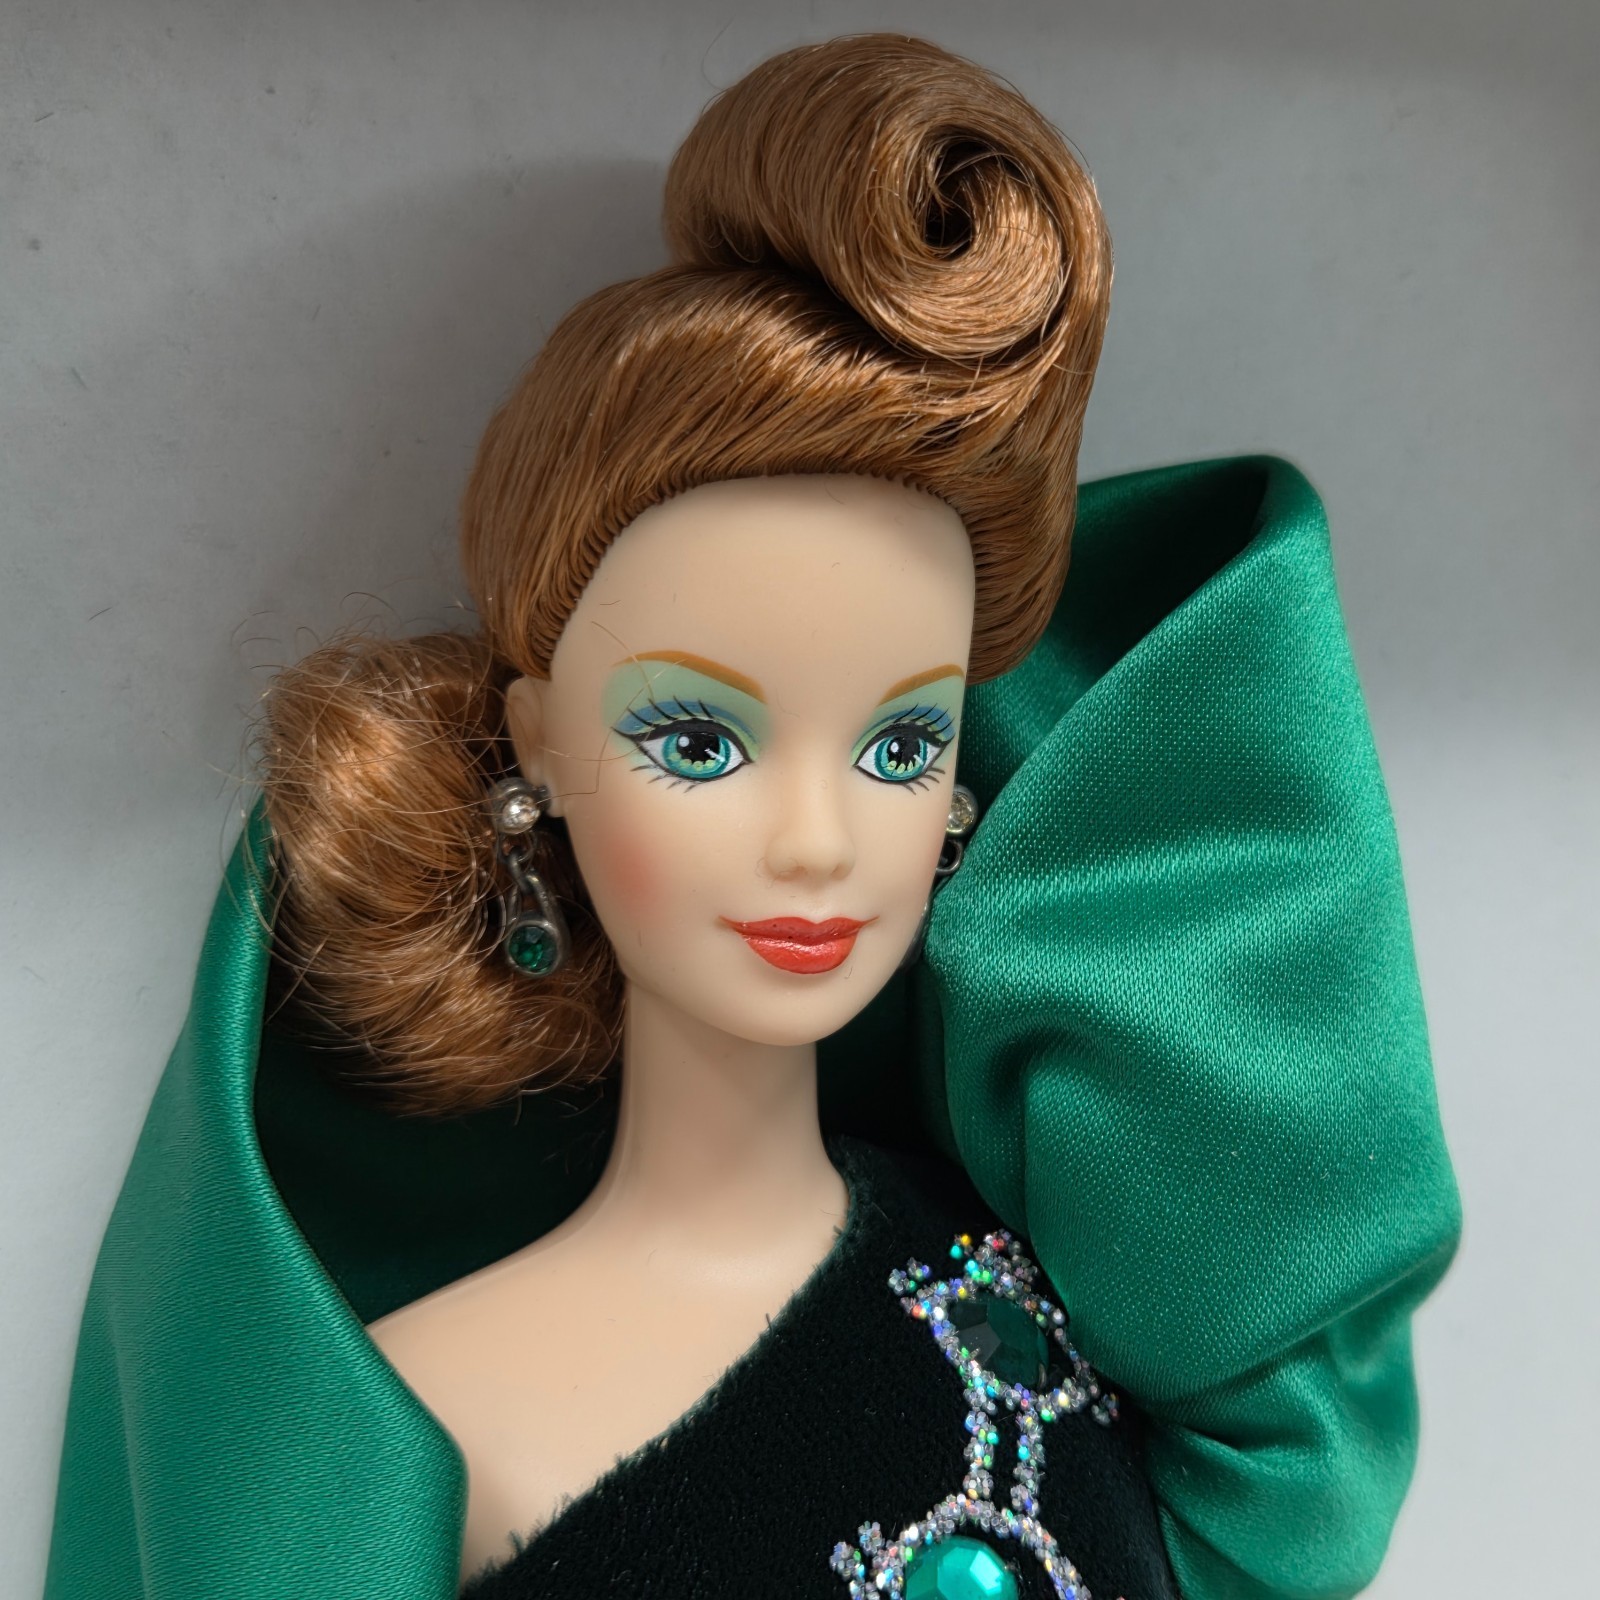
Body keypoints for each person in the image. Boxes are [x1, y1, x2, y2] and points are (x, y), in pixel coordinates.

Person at [43, 32, 1461, 1600]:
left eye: (899, 744)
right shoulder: (438, 1427)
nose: (815, 841)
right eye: (701, 740)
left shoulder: (1017, 1271)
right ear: (538, 747)